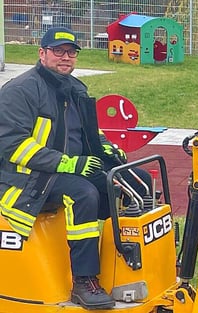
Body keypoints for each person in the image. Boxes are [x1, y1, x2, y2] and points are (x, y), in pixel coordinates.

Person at [0, 27, 150, 310]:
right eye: (58, 51)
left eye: (71, 52)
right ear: (42, 53)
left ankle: (129, 264)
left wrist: (106, 148)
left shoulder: (76, 88)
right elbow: (12, 145)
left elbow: (89, 134)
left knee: (137, 179)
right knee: (83, 194)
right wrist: (66, 163)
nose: (65, 57)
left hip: (70, 168)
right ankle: (84, 280)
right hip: (27, 178)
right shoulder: (19, 91)